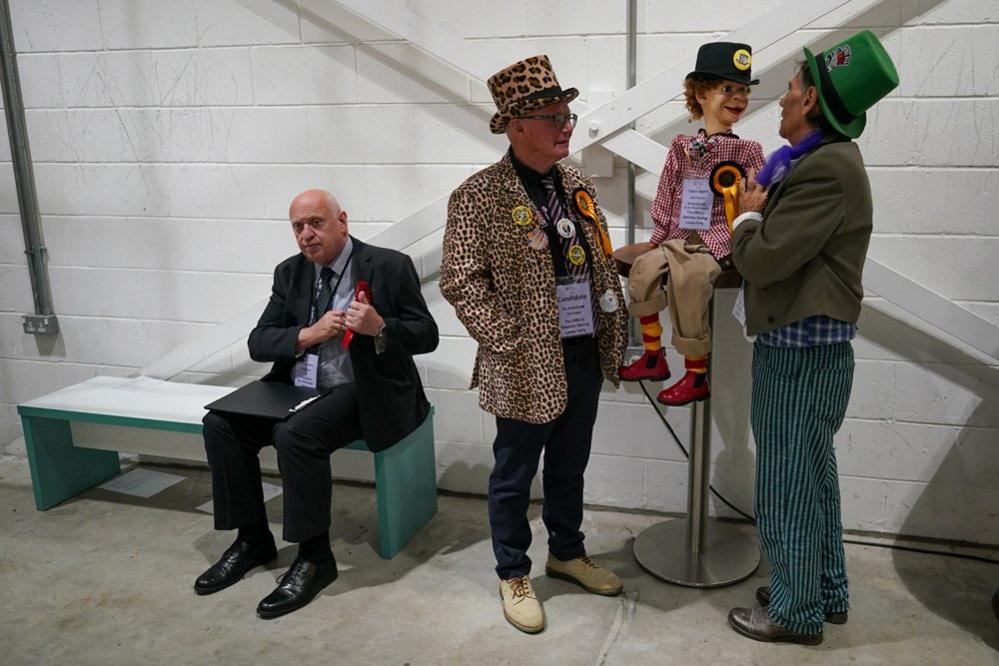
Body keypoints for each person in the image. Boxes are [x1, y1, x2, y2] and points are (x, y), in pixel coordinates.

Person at [440, 55, 628, 634]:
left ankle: (566, 552)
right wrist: (510, 341)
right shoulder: (478, 195)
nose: (566, 125)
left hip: (582, 349)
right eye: (552, 116)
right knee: (514, 473)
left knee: (570, 465)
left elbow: (589, 254)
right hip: (524, 360)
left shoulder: (575, 183)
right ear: (515, 125)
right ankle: (513, 571)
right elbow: (460, 280)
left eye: (567, 114)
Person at [725, 31, 898, 644]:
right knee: (811, 476)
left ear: (813, 105)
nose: (780, 100)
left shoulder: (824, 169)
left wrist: (746, 215)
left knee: (786, 483)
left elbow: (765, 259)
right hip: (807, 350)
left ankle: (796, 614)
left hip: (798, 354)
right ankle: (822, 589)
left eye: (793, 89)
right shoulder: (822, 162)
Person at [194, 188, 438, 619]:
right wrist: (307, 334)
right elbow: (258, 342)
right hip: (301, 387)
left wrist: (381, 327)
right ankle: (252, 539)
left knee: (296, 435)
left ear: (341, 222)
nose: (307, 235)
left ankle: (314, 556)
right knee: (220, 424)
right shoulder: (290, 274)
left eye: (316, 223)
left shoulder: (387, 265)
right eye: (298, 227)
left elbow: (426, 334)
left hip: (365, 390)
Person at [618, 42, 764, 406]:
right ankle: (654, 354)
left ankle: (696, 373)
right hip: (679, 236)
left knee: (691, 281)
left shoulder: (748, 151)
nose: (738, 98)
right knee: (644, 270)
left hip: (717, 242)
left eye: (743, 90)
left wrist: (742, 237)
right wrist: (660, 234)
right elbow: (667, 190)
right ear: (701, 94)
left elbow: (757, 199)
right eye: (728, 89)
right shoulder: (681, 146)